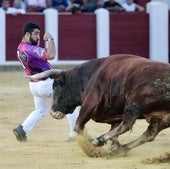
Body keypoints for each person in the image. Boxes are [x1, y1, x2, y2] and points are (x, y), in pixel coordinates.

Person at [12, 21, 79, 142]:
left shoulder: (20, 47)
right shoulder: (31, 49)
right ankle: (75, 132)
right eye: (36, 34)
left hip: (34, 85)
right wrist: (51, 39)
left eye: (39, 34)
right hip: (46, 83)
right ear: (27, 34)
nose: (38, 37)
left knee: (40, 111)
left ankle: (22, 129)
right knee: (70, 101)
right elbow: (51, 55)